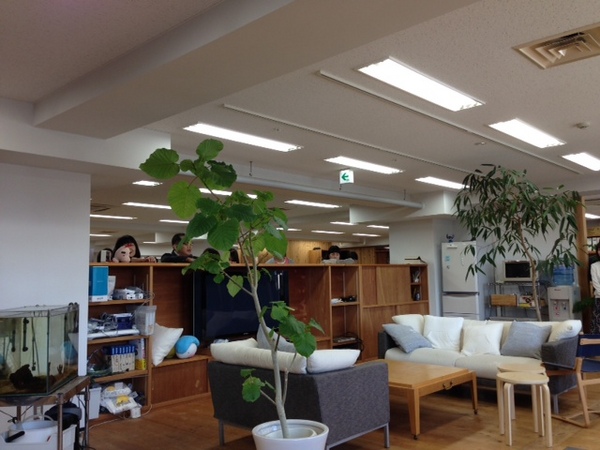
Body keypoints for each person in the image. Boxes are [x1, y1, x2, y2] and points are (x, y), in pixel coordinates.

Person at [590, 244, 600, 333]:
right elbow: (595, 283)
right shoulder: (594, 266)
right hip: (599, 298)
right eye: (599, 250)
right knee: (597, 326)